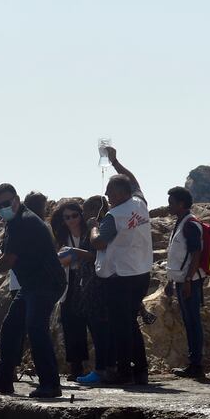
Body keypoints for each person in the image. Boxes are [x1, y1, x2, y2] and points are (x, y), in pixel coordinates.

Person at [0, 183, 67, 398]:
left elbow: (9, 260)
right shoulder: (14, 222)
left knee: (36, 328)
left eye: (6, 203)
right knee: (11, 327)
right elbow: (6, 252)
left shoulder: (24, 222)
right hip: (31, 284)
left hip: (46, 283)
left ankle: (51, 384)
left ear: (16, 199)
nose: (2, 208)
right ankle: (4, 379)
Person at [92, 148, 153, 386]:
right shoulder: (139, 203)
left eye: (110, 192)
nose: (107, 195)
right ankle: (141, 370)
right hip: (141, 273)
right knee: (130, 323)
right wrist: (116, 161)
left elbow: (99, 242)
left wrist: (92, 227)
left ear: (120, 193)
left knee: (121, 326)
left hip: (119, 276)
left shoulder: (114, 215)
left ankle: (123, 372)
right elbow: (134, 181)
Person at [51, 200, 110, 383]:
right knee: (71, 324)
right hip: (70, 282)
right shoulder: (61, 236)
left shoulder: (89, 233)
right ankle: (75, 367)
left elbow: (97, 255)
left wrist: (75, 255)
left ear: (81, 215)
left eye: (74, 216)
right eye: (67, 217)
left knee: (94, 324)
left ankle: (103, 368)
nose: (71, 220)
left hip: (90, 281)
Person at [164, 186, 206, 380]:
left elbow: (196, 253)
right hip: (181, 281)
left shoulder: (190, 224)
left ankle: (196, 364)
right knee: (189, 322)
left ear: (181, 204)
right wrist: (170, 280)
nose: (169, 205)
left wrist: (188, 280)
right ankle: (193, 363)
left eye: (171, 202)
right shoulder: (181, 222)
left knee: (193, 322)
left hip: (191, 281)